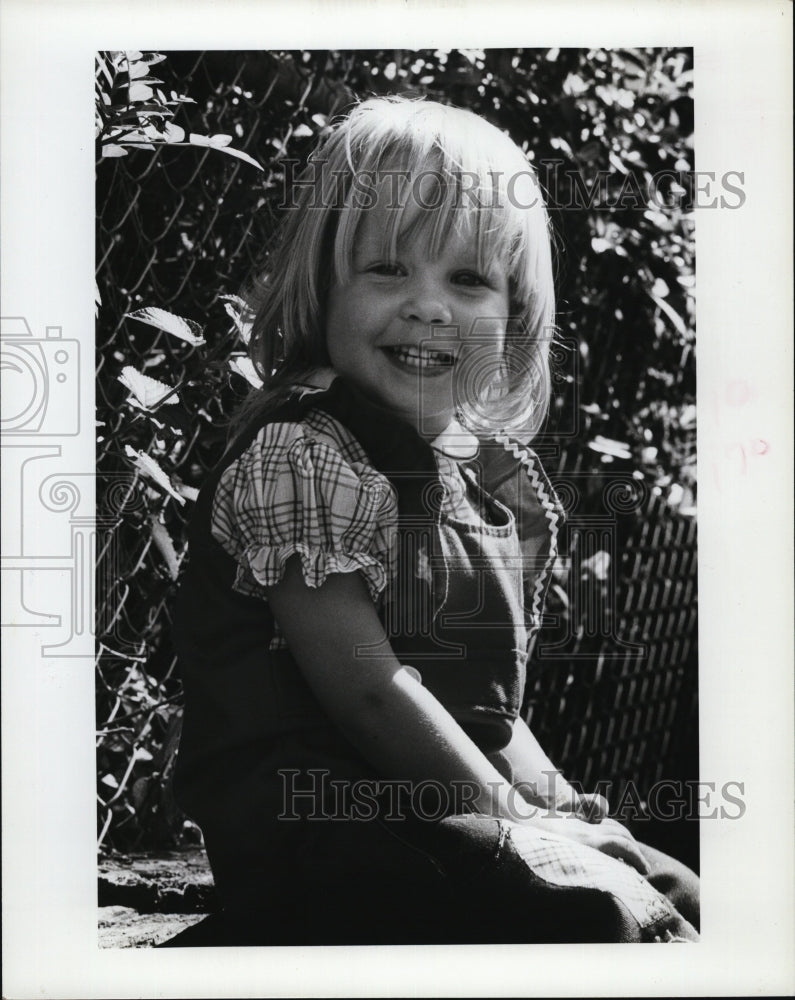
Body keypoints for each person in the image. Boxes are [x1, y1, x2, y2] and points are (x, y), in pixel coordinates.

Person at [172, 95, 699, 945]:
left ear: (513, 315)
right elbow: (371, 691)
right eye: (387, 268)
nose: (428, 306)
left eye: (467, 278)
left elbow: (489, 713)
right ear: (322, 284)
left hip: (449, 814)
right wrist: (526, 832)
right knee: (597, 920)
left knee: (676, 887)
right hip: (324, 829)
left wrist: (563, 810)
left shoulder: (483, 481)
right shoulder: (302, 455)